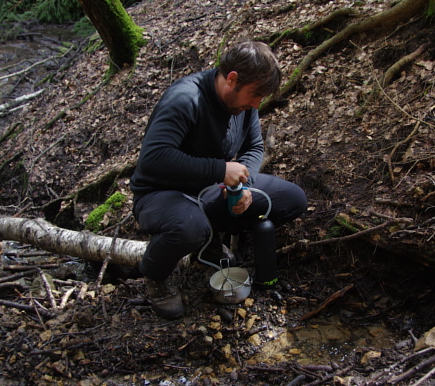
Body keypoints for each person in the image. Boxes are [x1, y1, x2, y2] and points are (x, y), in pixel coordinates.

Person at [130, 41, 307, 319]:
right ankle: (155, 276)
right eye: (255, 95)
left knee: (292, 200)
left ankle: (208, 240)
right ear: (233, 79)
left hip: (211, 190)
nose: (256, 104)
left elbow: (253, 147)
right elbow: (154, 159)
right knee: (189, 227)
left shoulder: (245, 103)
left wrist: (242, 187)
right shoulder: (186, 99)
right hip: (160, 194)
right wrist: (219, 170)